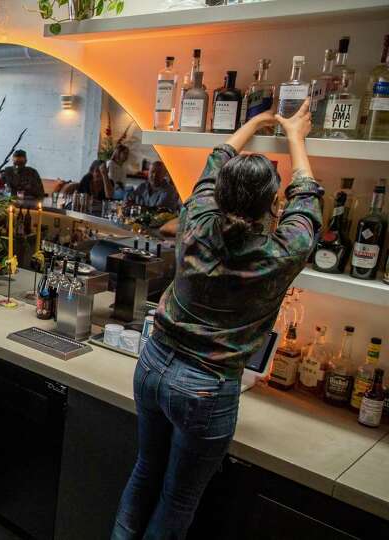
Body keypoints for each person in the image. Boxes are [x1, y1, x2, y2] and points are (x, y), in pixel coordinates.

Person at [111, 100, 322, 540]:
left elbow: (216, 160)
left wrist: (254, 122)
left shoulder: (195, 219)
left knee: (143, 471)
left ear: (220, 192)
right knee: (177, 499)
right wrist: (296, 138)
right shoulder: (281, 252)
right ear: (272, 203)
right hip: (206, 386)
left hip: (152, 364)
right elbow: (308, 198)